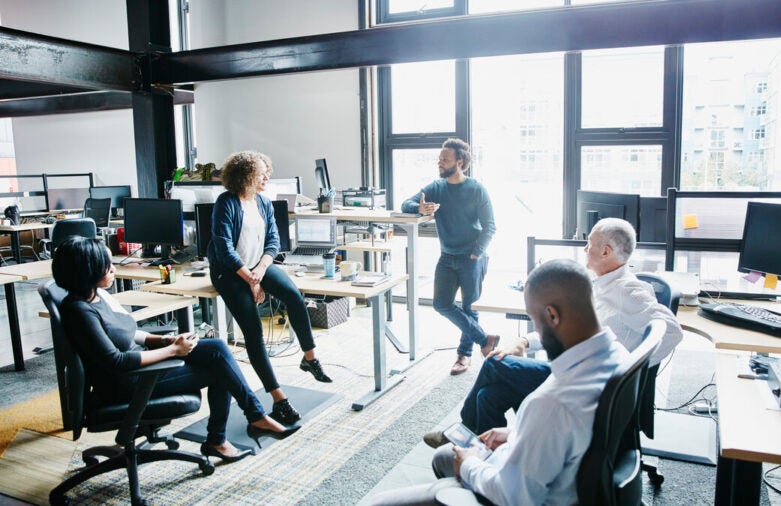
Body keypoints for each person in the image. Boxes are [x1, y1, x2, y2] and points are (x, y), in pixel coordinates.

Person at [363, 259, 629, 505]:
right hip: (564, 473)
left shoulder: (551, 404)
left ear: (552, 315)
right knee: (449, 447)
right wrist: (515, 435)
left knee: (378, 503)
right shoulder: (619, 356)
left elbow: (514, 496)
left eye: (534, 320)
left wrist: (469, 464)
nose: (535, 329)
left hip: (519, 494)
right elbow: (574, 436)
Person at [425, 217, 682, 442]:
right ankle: (485, 453)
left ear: (606, 252)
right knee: (488, 396)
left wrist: (625, 373)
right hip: (572, 370)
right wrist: (525, 341)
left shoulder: (628, 290)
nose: (584, 248)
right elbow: (564, 327)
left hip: (590, 385)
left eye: (589, 243)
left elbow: (670, 331)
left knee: (495, 364)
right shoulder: (599, 285)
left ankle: (462, 434)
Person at [52, 237, 295, 462]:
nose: (113, 269)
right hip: (126, 383)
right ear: (86, 271)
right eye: (106, 266)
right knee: (221, 367)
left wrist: (165, 341)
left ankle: (250, 419)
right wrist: (173, 351)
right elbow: (118, 361)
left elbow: (128, 332)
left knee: (218, 349)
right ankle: (231, 432)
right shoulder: (79, 311)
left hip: (138, 369)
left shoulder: (96, 296)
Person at [207, 150, 332, 428]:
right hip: (229, 272)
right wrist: (250, 279)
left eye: (266, 171)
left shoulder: (263, 202)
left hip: (256, 266)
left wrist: (260, 271)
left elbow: (274, 241)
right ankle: (278, 399)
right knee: (253, 332)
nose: (267, 176)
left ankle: (309, 358)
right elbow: (223, 249)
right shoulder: (225, 203)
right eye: (261, 172)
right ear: (245, 176)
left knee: (293, 296)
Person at [400, 138, 499, 375]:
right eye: (439, 159)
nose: (439, 163)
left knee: (469, 306)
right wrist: (419, 208)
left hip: (472, 257)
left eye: (445, 159)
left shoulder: (476, 189)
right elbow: (406, 203)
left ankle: (463, 356)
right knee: (441, 304)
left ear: (460, 162)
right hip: (447, 256)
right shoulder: (436, 187)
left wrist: (476, 253)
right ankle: (485, 339)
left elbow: (490, 226)